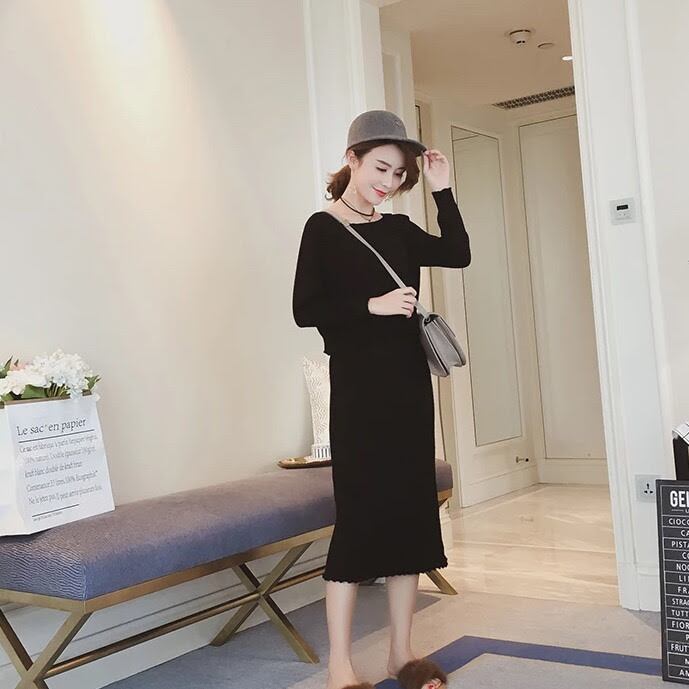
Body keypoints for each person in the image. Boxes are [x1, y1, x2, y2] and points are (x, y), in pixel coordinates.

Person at [292, 110, 471, 689]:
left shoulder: (398, 229)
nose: (388, 182)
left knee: (409, 521)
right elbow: (305, 310)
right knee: (361, 522)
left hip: (408, 392)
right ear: (352, 160)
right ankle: (340, 668)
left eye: (398, 174)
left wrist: (442, 190)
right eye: (380, 168)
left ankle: (400, 655)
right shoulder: (322, 228)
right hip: (359, 397)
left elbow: (458, 252)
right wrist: (371, 306)